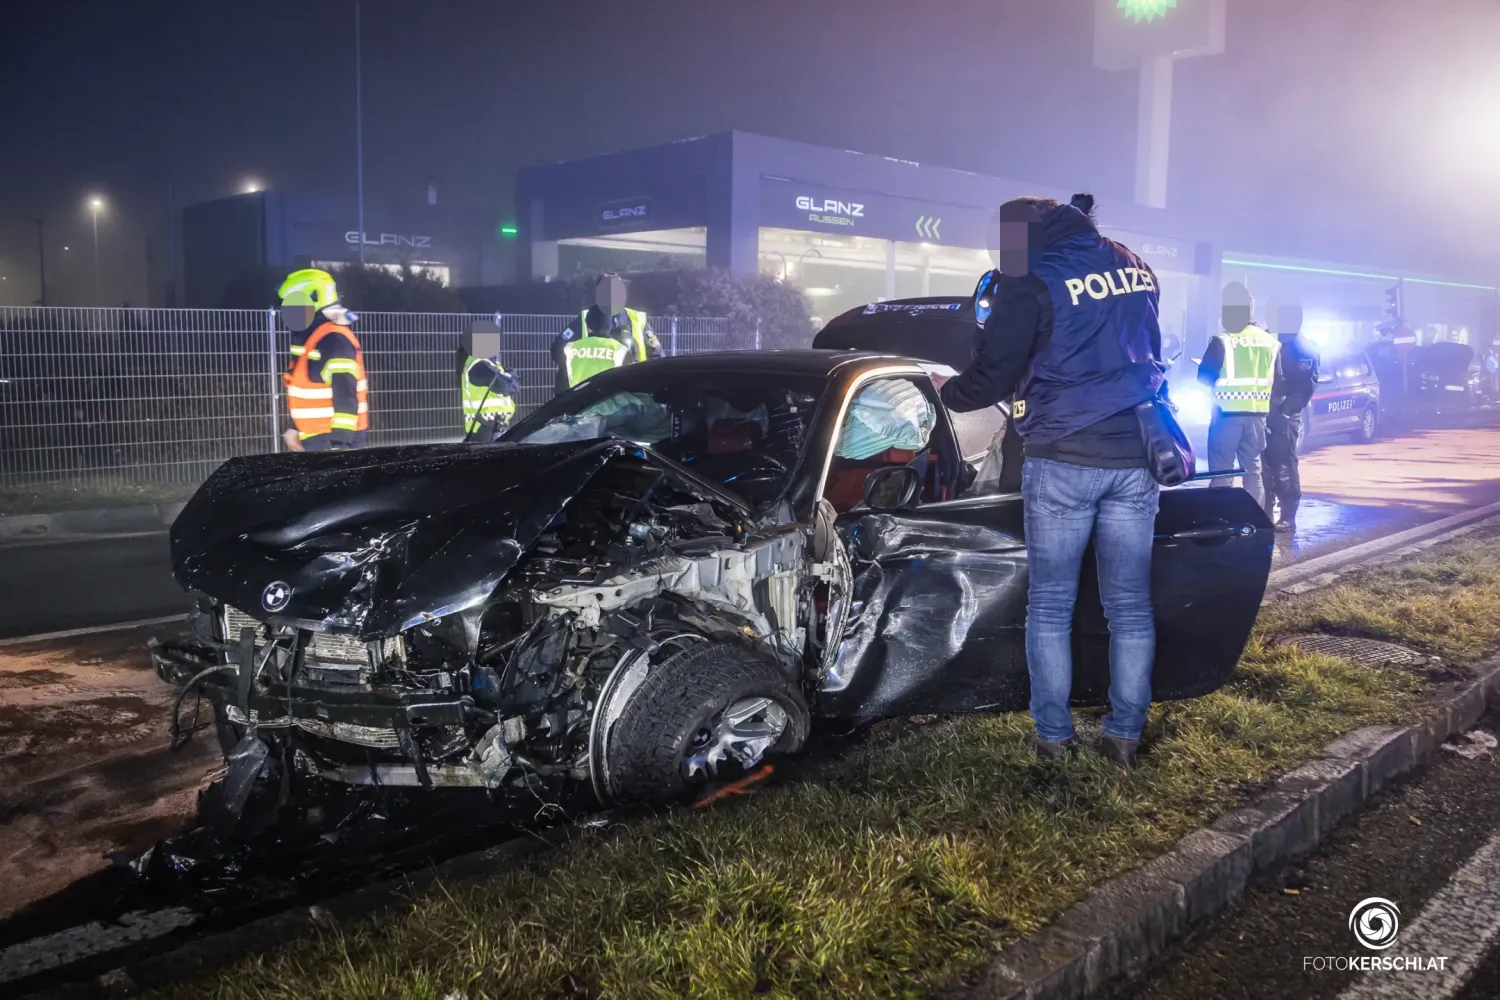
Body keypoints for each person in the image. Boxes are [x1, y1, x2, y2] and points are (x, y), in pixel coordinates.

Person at [938, 193, 1164, 769]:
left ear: (1022, 235)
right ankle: (1124, 737)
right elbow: (1148, 346)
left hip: (1062, 455)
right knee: (1130, 607)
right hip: (1136, 454)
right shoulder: (1131, 263)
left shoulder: (1030, 278)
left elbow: (993, 374)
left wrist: (948, 393)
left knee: (1051, 607)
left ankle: (1055, 740)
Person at [1198, 283, 1280, 506]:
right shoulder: (1270, 341)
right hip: (1258, 417)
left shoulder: (1223, 340)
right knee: (1253, 471)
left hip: (1227, 415)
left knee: (1222, 471)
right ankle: (1254, 523)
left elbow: (1204, 377)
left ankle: (1224, 519)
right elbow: (1278, 379)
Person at [277, 268, 368, 452]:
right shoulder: (314, 338)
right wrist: (295, 427)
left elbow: (345, 395)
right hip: (318, 439)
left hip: (332, 441)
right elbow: (305, 387)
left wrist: (340, 446)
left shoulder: (334, 340)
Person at [1262, 301, 1321, 534]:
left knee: (1283, 463)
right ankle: (1264, 511)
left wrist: (1285, 413)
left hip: (1284, 414)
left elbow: (1305, 387)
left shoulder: (1304, 348)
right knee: (1261, 466)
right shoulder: (1266, 340)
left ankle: (1287, 516)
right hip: (1260, 410)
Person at [552, 274, 662, 392]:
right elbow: (558, 349)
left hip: (631, 392)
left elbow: (656, 356)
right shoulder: (587, 317)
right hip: (592, 394)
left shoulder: (637, 318)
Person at [458, 319, 520, 442]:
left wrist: (510, 378)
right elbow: (506, 386)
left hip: (491, 427)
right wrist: (511, 377)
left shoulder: (489, 363)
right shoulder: (478, 365)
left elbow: (511, 384)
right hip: (485, 429)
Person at [557, 305, 630, 389]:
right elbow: (628, 382)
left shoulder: (570, 349)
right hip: (609, 400)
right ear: (609, 325)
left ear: (587, 325)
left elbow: (561, 384)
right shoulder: (621, 350)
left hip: (579, 400)